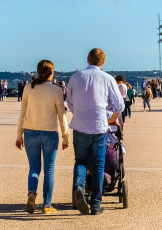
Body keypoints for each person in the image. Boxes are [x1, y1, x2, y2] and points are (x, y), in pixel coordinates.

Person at [67, 48, 125, 216]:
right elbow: (120, 105)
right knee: (99, 165)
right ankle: (95, 204)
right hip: (100, 126)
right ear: (103, 62)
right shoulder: (107, 78)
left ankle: (79, 186)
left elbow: (69, 103)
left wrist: (78, 112)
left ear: (87, 59)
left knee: (81, 162)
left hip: (79, 126)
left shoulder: (75, 77)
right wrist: (113, 118)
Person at [16, 60, 70, 215]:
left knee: (34, 168)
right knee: (49, 170)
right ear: (51, 73)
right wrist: (65, 137)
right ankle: (47, 205)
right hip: (49, 134)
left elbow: (22, 114)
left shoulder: (28, 87)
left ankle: (32, 193)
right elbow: (62, 116)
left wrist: (19, 135)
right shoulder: (56, 90)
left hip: (30, 132)